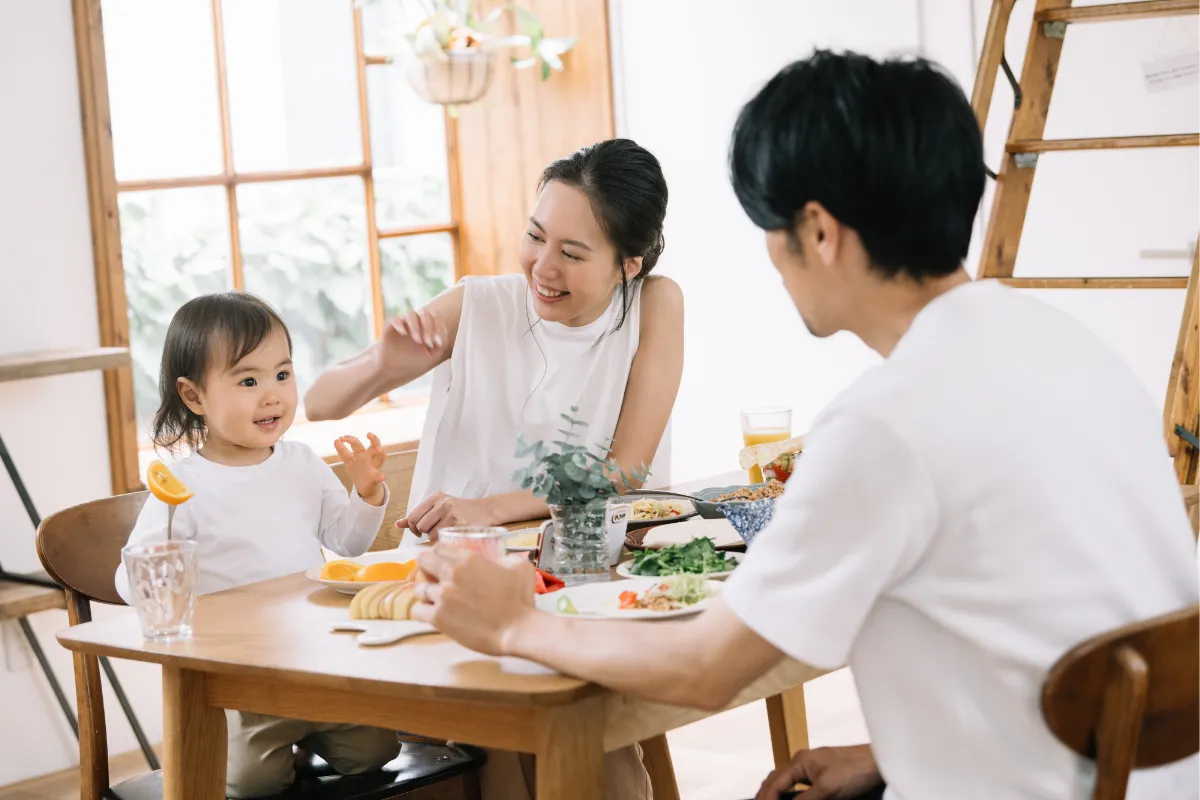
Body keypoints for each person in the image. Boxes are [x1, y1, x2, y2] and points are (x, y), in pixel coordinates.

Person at [406, 51, 1200, 800]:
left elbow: (706, 667)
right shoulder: (1067, 347)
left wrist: (513, 624)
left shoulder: (885, 426)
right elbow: (1069, 636)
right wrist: (892, 755)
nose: (771, 258)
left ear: (818, 232)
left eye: (770, 227)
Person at [305, 138, 683, 799]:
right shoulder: (479, 304)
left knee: (581, 732)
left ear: (629, 264)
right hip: (456, 579)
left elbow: (624, 471)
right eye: (535, 237)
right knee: (516, 735)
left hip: (578, 573)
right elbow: (319, 403)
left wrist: (488, 507)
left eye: (572, 253)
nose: (543, 266)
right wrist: (382, 366)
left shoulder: (655, 304)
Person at [114, 292, 401, 799]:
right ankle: (262, 744)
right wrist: (159, 569)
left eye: (282, 374)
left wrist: (367, 494)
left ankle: (302, 738)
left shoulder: (302, 463)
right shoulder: (181, 487)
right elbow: (128, 580)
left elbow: (348, 543)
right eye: (248, 381)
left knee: (376, 751)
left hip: (317, 662)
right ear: (194, 396)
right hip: (240, 679)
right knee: (254, 783)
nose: (272, 396)